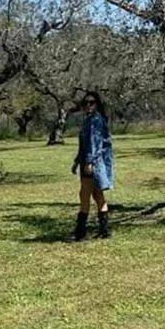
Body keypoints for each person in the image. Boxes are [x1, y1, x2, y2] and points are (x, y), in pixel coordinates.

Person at [71, 92, 114, 240]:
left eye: (92, 102)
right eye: (85, 103)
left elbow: (96, 145)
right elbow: (83, 145)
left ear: (97, 104)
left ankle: (80, 232)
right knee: (97, 195)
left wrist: (89, 162)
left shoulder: (96, 121)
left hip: (94, 163)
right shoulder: (88, 120)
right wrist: (77, 161)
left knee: (84, 194)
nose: (88, 105)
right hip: (88, 161)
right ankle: (104, 230)